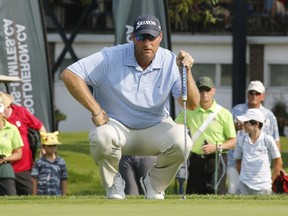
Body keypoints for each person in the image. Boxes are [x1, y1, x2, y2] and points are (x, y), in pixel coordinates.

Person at [60, 13, 200, 199]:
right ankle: (114, 184)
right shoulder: (110, 57)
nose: (147, 42)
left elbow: (192, 104)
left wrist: (187, 72)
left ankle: (154, 184)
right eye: (142, 37)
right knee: (102, 136)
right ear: (133, 38)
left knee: (183, 141)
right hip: (117, 127)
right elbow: (70, 75)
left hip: (155, 127)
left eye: (151, 37)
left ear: (160, 37)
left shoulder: (170, 61)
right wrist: (96, 109)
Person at [175, 76, 236, 194]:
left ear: (213, 91)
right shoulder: (188, 111)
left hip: (217, 159)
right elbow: (175, 128)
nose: (204, 93)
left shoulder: (224, 114)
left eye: (207, 90)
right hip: (195, 160)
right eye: (200, 90)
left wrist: (216, 147)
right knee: (193, 195)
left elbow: (233, 141)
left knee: (217, 194)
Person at [227, 80, 280, 194]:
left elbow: (276, 140)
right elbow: (226, 133)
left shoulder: (269, 116)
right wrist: (234, 128)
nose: (253, 96)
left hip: (260, 166)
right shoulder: (237, 110)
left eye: (257, 93)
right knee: (233, 193)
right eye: (251, 93)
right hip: (235, 161)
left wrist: (277, 164)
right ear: (247, 94)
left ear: (263, 96)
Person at [0, 91, 46, 195]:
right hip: (4, 168)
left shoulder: (20, 112)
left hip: (23, 168)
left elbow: (40, 127)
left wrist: (44, 146)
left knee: (28, 194)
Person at [234, 108, 282, 195]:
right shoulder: (240, 140)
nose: (243, 125)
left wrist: (270, 182)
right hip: (244, 186)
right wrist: (244, 178)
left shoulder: (268, 140)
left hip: (264, 188)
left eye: (246, 122)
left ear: (256, 124)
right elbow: (238, 162)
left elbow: (278, 162)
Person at [0, 94, 23, 196]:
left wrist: (5, 158)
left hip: (5, 170)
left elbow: (18, 153)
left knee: (10, 200)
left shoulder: (12, 128)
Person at [31, 131, 68, 196]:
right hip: (42, 194)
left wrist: (64, 194)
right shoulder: (39, 162)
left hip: (57, 194)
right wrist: (34, 194)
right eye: (50, 146)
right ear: (44, 147)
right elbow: (35, 179)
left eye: (54, 146)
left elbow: (64, 179)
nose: (52, 148)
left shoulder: (61, 162)